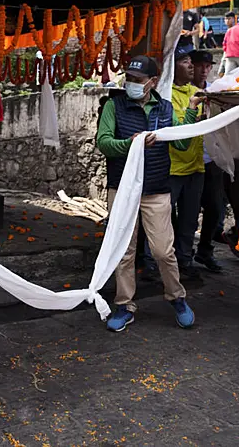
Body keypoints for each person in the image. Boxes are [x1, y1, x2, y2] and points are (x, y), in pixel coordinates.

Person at [96, 55, 197, 332]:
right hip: (123, 189)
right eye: (129, 78)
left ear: (152, 82)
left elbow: (182, 142)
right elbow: (104, 143)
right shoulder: (113, 106)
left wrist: (190, 110)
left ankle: (177, 297)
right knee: (124, 252)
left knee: (164, 251)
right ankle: (124, 305)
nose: (131, 83)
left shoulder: (164, 109)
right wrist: (131, 144)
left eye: (138, 80)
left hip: (156, 190)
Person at [169, 45, 208, 278]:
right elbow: (176, 130)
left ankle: (185, 260)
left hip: (196, 166)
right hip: (172, 167)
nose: (191, 65)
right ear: (172, 67)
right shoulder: (165, 94)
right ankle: (157, 261)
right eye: (184, 61)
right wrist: (193, 109)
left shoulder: (198, 92)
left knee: (190, 219)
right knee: (163, 219)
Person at [190, 50, 224, 272]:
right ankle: (185, 253)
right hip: (188, 159)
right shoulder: (185, 93)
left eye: (207, 65)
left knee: (215, 208)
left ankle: (205, 249)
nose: (203, 69)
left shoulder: (214, 91)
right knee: (189, 212)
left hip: (210, 158)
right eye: (199, 65)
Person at [216, 12, 237, 77]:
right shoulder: (228, 30)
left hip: (232, 55)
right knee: (221, 73)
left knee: (227, 74)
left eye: (229, 19)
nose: (227, 21)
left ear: (233, 19)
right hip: (226, 53)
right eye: (226, 19)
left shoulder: (235, 29)